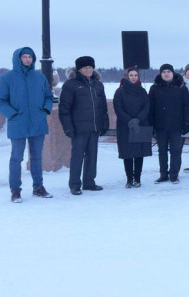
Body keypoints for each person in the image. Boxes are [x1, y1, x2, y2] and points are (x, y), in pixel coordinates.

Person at [0, 47, 54, 202]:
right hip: (18, 123)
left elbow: (48, 96)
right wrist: (13, 114)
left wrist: (45, 109)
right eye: (24, 57)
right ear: (18, 58)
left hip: (38, 123)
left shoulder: (39, 77)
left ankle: (38, 187)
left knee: (37, 157)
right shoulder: (7, 78)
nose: (27, 59)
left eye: (30, 57)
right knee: (16, 158)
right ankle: (15, 190)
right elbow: (1, 100)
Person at [59, 56, 109, 195]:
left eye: (91, 67)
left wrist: (104, 123)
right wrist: (68, 127)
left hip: (94, 127)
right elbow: (64, 109)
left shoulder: (98, 84)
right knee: (77, 157)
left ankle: (89, 182)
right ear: (79, 69)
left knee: (92, 156)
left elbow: (103, 107)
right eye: (86, 67)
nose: (89, 70)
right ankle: (74, 185)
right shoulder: (71, 84)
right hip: (78, 129)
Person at [149, 64, 189, 184]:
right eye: (164, 72)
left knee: (175, 151)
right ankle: (163, 174)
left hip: (176, 126)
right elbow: (150, 108)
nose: (166, 74)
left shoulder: (181, 88)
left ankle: (174, 174)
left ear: (173, 73)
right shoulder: (154, 88)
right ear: (161, 74)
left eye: (168, 71)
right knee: (162, 151)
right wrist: (150, 125)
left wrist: (186, 123)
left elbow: (187, 107)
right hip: (160, 126)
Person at [112, 67, 152, 188]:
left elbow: (147, 106)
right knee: (128, 154)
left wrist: (138, 119)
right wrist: (130, 120)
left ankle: (137, 179)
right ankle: (129, 179)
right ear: (127, 76)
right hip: (125, 126)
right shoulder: (120, 91)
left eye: (135, 75)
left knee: (139, 153)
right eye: (131, 75)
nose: (133, 77)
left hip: (141, 124)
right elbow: (118, 108)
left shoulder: (142, 91)